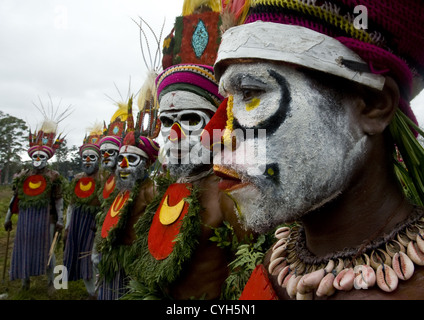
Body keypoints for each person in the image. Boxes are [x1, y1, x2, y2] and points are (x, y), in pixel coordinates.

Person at [202, 0, 424, 299]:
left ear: (372, 105)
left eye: (251, 92)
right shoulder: (277, 262)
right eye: (228, 98)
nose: (212, 137)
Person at [128, 0, 253, 300]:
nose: (175, 135)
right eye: (167, 121)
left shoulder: (231, 196)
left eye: (192, 120)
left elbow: (249, 278)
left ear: (220, 123)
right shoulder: (161, 189)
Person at [95, 97, 160, 300]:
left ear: (147, 164)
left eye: (131, 160)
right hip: (114, 257)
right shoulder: (121, 189)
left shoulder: (152, 190)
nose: (122, 166)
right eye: (121, 160)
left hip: (135, 260)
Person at [3, 102, 69, 292]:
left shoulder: (53, 177)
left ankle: (52, 282)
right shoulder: (23, 176)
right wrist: (8, 218)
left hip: (45, 219)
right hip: (25, 219)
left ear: (47, 158)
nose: (38, 160)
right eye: (35, 156)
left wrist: (60, 220)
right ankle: (25, 283)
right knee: (23, 248)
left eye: (41, 157)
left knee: (48, 250)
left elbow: (58, 200)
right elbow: (15, 199)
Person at [62, 125, 102, 299]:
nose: (87, 160)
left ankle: (100, 290)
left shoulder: (105, 178)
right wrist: (67, 226)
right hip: (78, 221)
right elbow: (71, 205)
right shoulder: (77, 179)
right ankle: (91, 292)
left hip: (95, 222)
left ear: (98, 159)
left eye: (91, 157)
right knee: (79, 255)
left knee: (94, 258)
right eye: (84, 157)